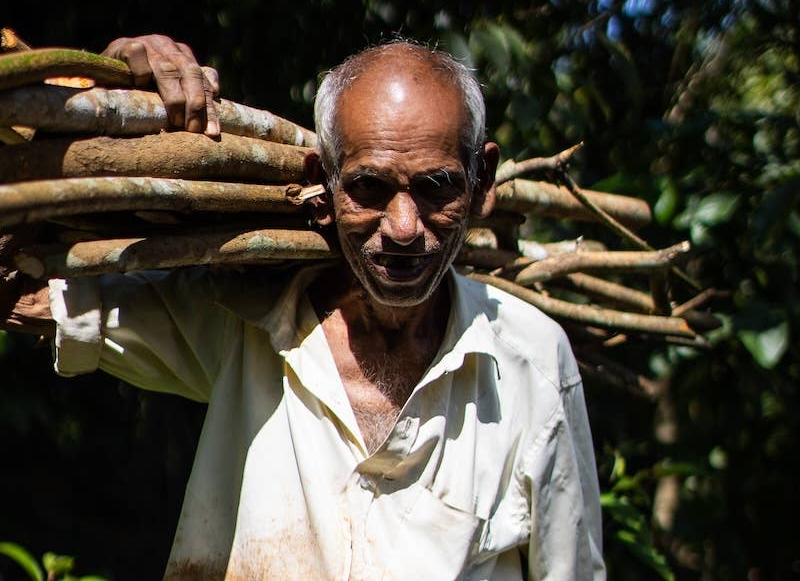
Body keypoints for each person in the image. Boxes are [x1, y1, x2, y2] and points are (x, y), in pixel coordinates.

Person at [1, 35, 606, 580]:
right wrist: (112, 84)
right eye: (368, 187)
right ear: (324, 182)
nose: (403, 227)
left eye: (436, 187)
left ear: (482, 183)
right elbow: (35, 292)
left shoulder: (531, 362)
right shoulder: (239, 317)